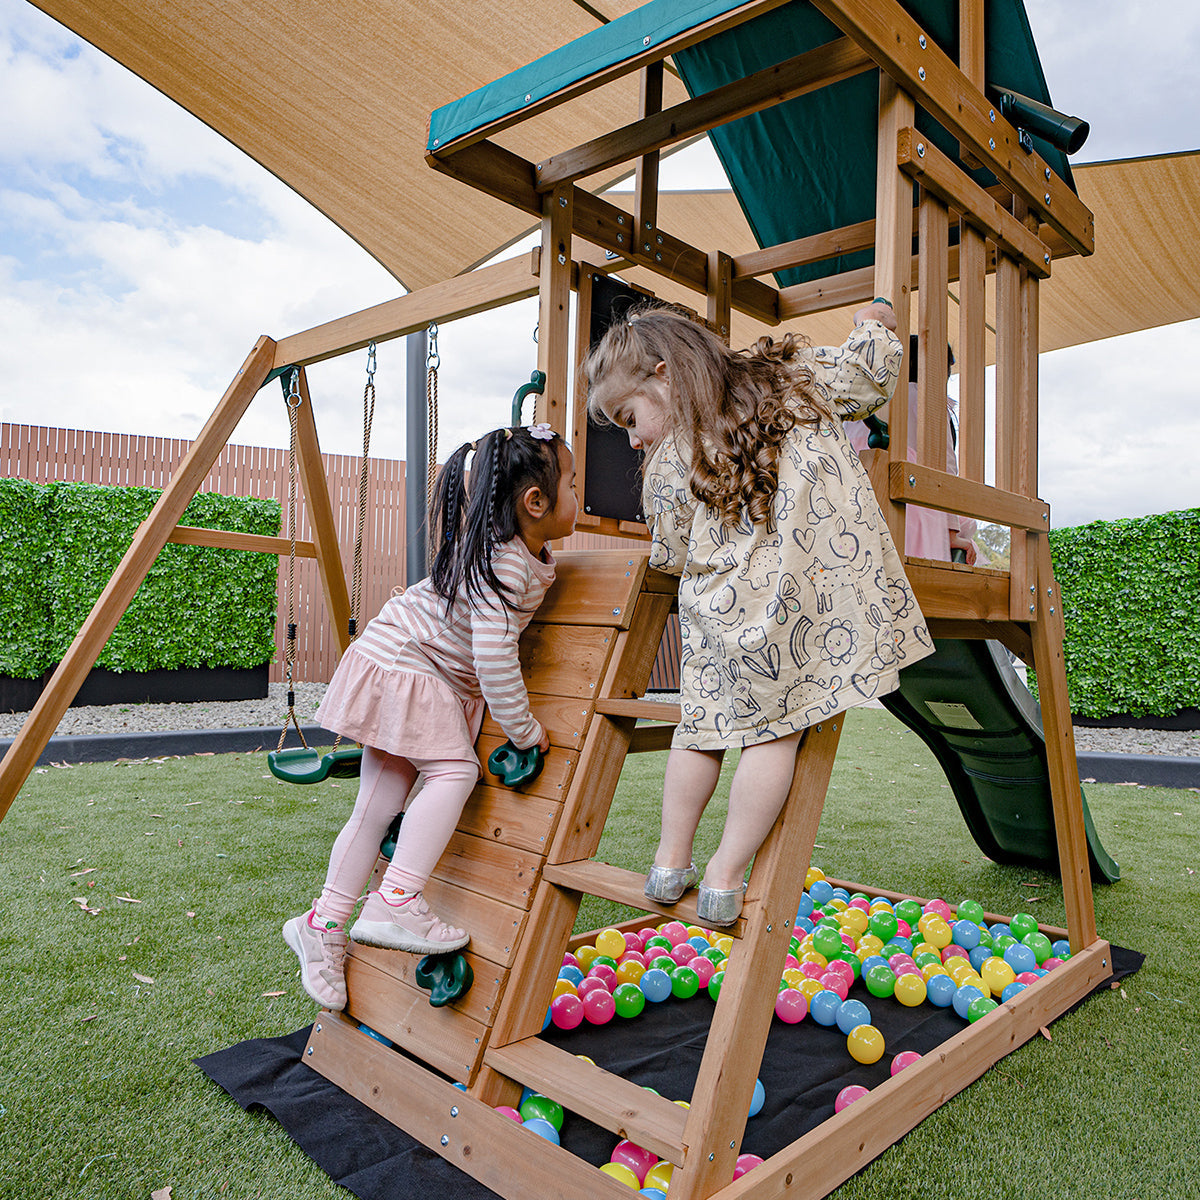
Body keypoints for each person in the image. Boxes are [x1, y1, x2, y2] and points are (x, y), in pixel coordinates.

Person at [584, 301, 932, 926]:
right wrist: (877, 320)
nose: (633, 439)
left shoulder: (668, 461)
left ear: (664, 375)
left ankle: (669, 862)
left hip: (716, 621)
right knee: (775, 735)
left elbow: (672, 550)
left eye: (629, 419)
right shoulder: (791, 376)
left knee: (701, 731)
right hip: (799, 609)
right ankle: (724, 876)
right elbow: (867, 378)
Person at [283, 422, 577, 1010]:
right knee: (454, 773)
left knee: (377, 804)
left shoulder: (505, 552)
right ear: (535, 502)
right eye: (571, 483)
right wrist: (523, 728)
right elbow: (494, 657)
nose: (577, 495)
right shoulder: (508, 563)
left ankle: (322, 922)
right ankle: (396, 899)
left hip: (392, 656)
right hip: (412, 667)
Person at [845, 336, 979, 564]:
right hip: (909, 508)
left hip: (854, 504)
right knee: (967, 526)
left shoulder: (864, 403)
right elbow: (945, 469)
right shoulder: (928, 401)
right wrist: (951, 534)